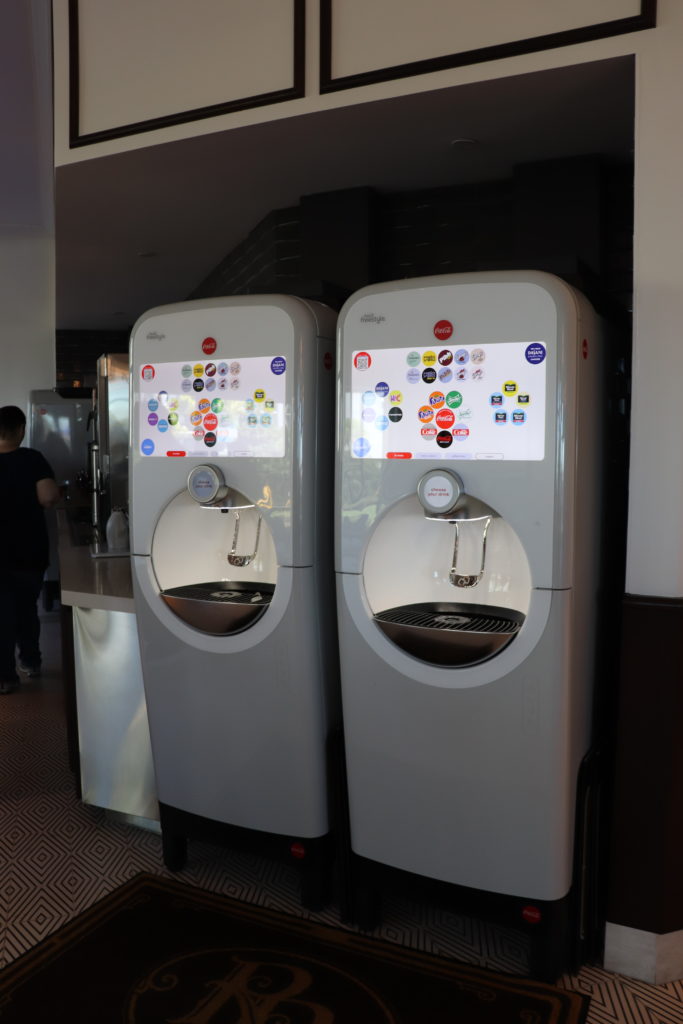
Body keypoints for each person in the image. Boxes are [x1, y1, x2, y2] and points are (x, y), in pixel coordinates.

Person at [0, 406, 60, 694]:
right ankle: (31, 661)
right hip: (29, 550)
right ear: (21, 429)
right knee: (26, 608)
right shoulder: (32, 459)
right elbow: (48, 497)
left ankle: (5, 678)